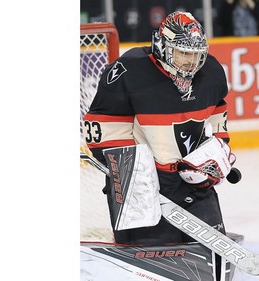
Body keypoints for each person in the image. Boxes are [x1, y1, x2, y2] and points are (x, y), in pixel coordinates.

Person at [83, 11, 237, 247]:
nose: (190, 62)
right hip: (139, 183)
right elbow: (103, 130)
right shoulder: (129, 71)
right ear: (162, 46)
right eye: (183, 53)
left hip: (192, 181)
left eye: (195, 55)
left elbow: (218, 118)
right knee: (152, 262)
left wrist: (212, 156)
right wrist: (135, 177)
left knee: (211, 256)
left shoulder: (212, 72)